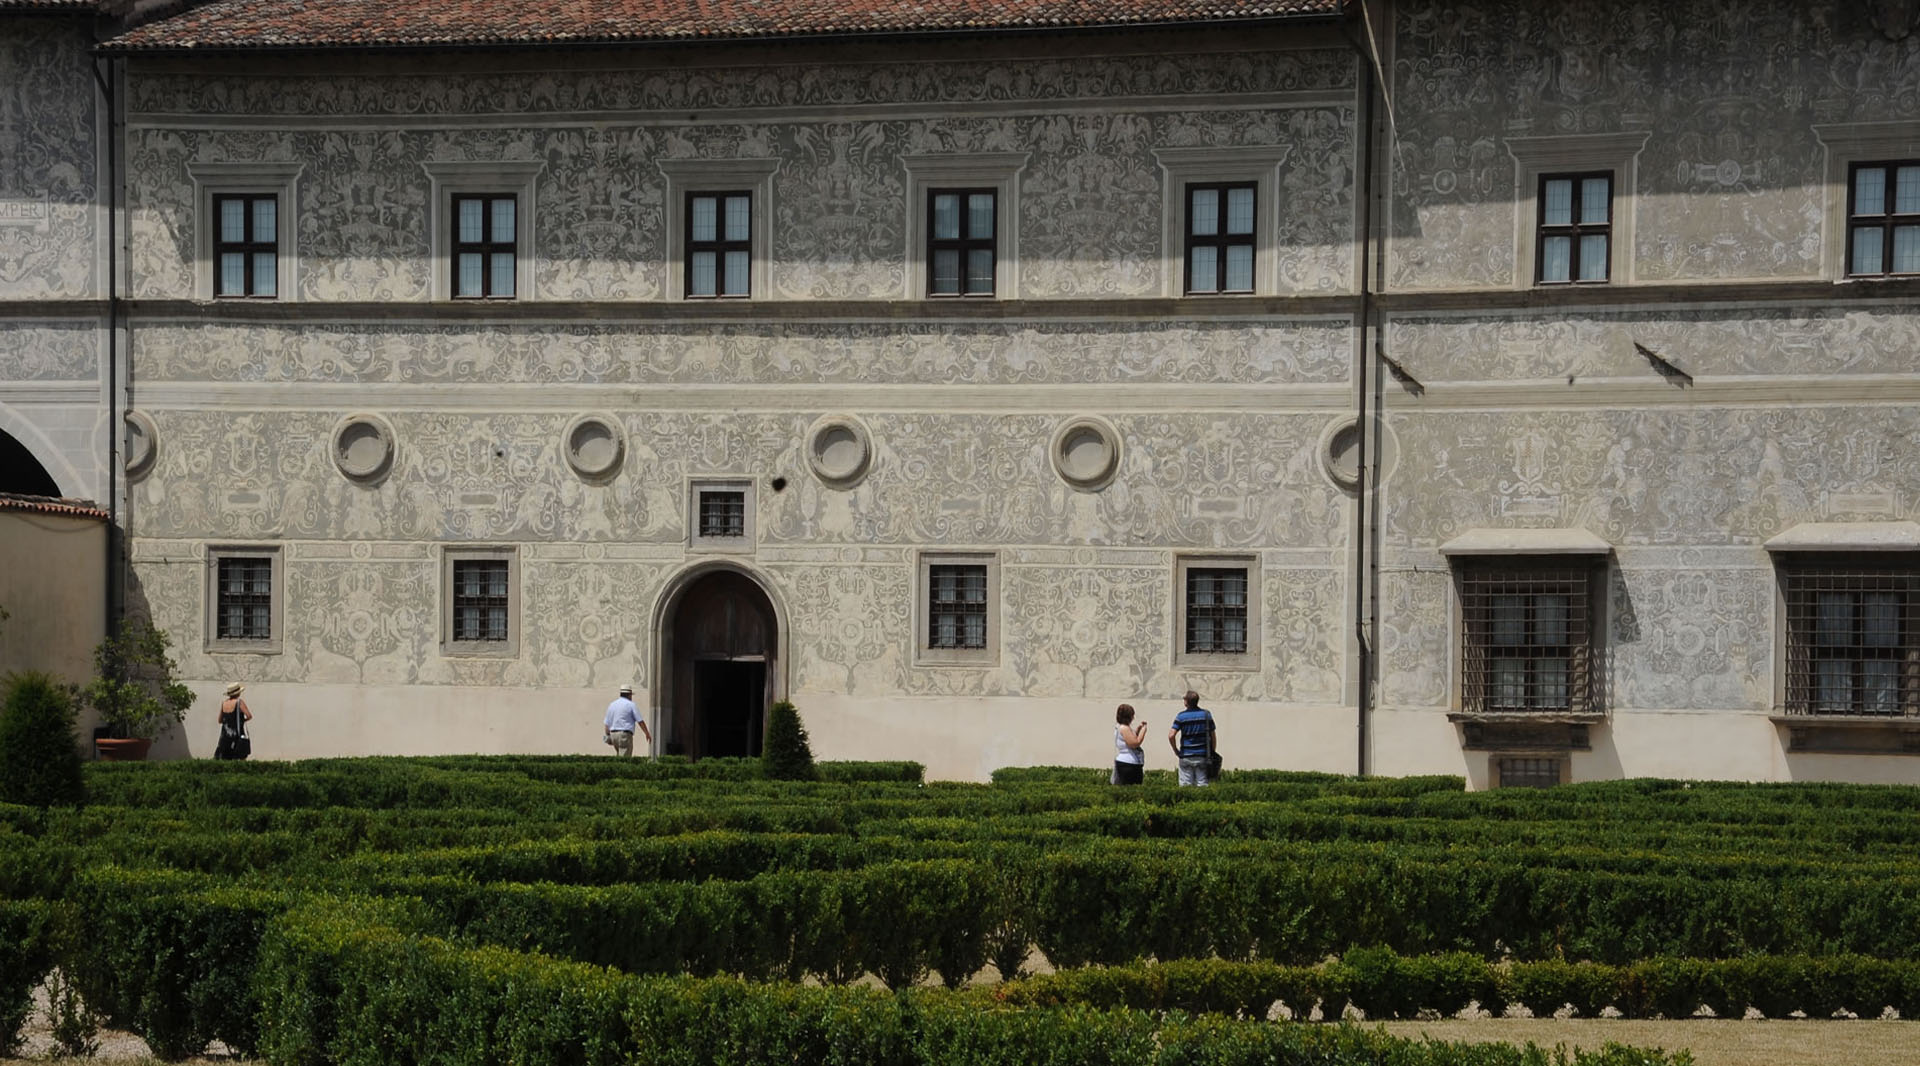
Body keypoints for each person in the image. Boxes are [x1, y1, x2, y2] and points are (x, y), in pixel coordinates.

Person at [1167, 690, 1217, 787]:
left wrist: (1176, 750)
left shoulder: (1181, 716)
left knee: (1185, 786)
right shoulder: (1206, 715)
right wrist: (1212, 752)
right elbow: (1213, 736)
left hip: (1186, 754)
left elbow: (1171, 735)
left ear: (1186, 702)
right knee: (1202, 785)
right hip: (1202, 755)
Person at [603, 684, 651, 757]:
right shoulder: (631, 705)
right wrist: (646, 733)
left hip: (613, 734)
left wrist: (608, 735)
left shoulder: (612, 705)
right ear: (629, 695)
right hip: (624, 734)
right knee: (625, 759)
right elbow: (640, 721)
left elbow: (607, 724)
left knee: (619, 755)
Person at [215, 682, 253, 760]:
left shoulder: (224, 703)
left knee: (225, 758)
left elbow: (219, 720)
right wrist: (242, 720)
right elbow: (249, 716)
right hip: (236, 735)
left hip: (225, 736)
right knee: (240, 757)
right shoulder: (239, 702)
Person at [1111, 703, 1147, 785]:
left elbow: (1129, 738)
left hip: (1125, 761)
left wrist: (1138, 729)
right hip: (1129, 763)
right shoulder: (1124, 728)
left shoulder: (1120, 727)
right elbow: (1134, 743)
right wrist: (1143, 731)